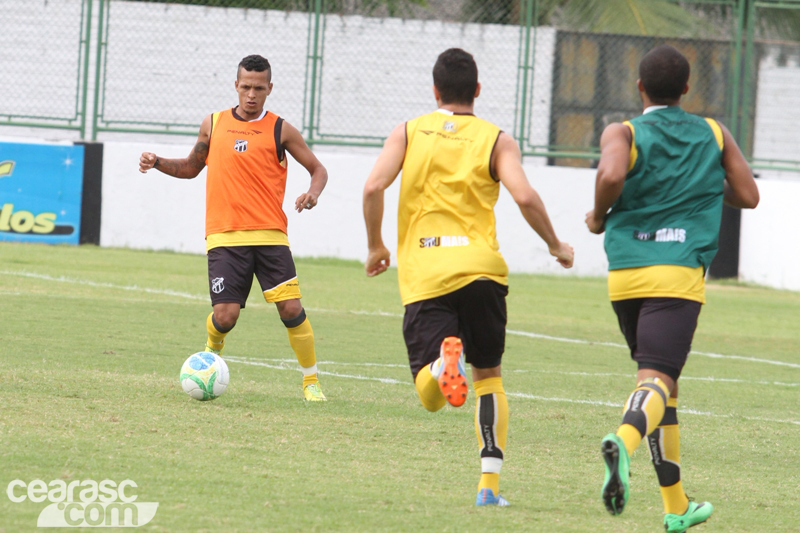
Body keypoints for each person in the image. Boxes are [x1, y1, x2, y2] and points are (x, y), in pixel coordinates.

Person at [363, 48, 574, 506]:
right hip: (482, 271)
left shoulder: (408, 131)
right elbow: (524, 195)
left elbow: (372, 186)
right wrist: (556, 245)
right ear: (477, 91)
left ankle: (442, 366)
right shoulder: (496, 139)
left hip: (428, 272)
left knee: (431, 396)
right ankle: (488, 489)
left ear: (435, 91)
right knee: (490, 378)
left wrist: (377, 245)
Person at [586, 45, 759, 532]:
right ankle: (622, 441)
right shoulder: (713, 132)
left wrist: (598, 217)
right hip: (677, 274)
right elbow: (748, 194)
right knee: (656, 381)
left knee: (665, 386)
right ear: (687, 89)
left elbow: (613, 171)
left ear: (639, 87)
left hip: (626, 275)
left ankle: (676, 507)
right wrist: (704, 182)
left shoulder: (623, 131)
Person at [139, 54, 329, 402]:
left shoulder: (280, 129)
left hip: (271, 236)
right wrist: (158, 163)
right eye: (245, 87)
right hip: (224, 236)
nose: (251, 94)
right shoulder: (214, 123)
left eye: (259, 88)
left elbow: (318, 169)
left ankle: (311, 381)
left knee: (291, 309)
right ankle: (212, 351)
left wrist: (312, 194)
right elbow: (191, 167)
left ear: (270, 88)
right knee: (224, 317)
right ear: (236, 85)